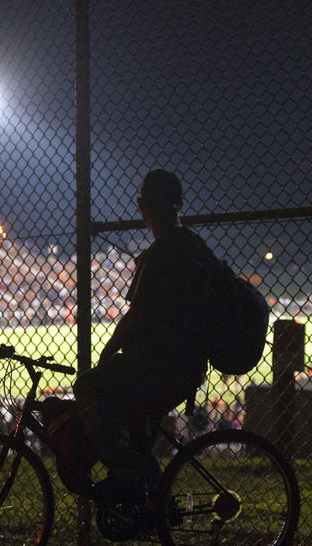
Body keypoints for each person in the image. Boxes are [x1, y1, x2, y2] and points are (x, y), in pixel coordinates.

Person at [74, 169, 208, 503]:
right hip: (185, 362)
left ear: (140, 206)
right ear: (179, 203)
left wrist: (107, 352)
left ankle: (127, 477)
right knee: (134, 427)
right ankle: (161, 505)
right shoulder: (193, 244)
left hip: (161, 363)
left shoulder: (161, 253)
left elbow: (136, 316)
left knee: (87, 386)